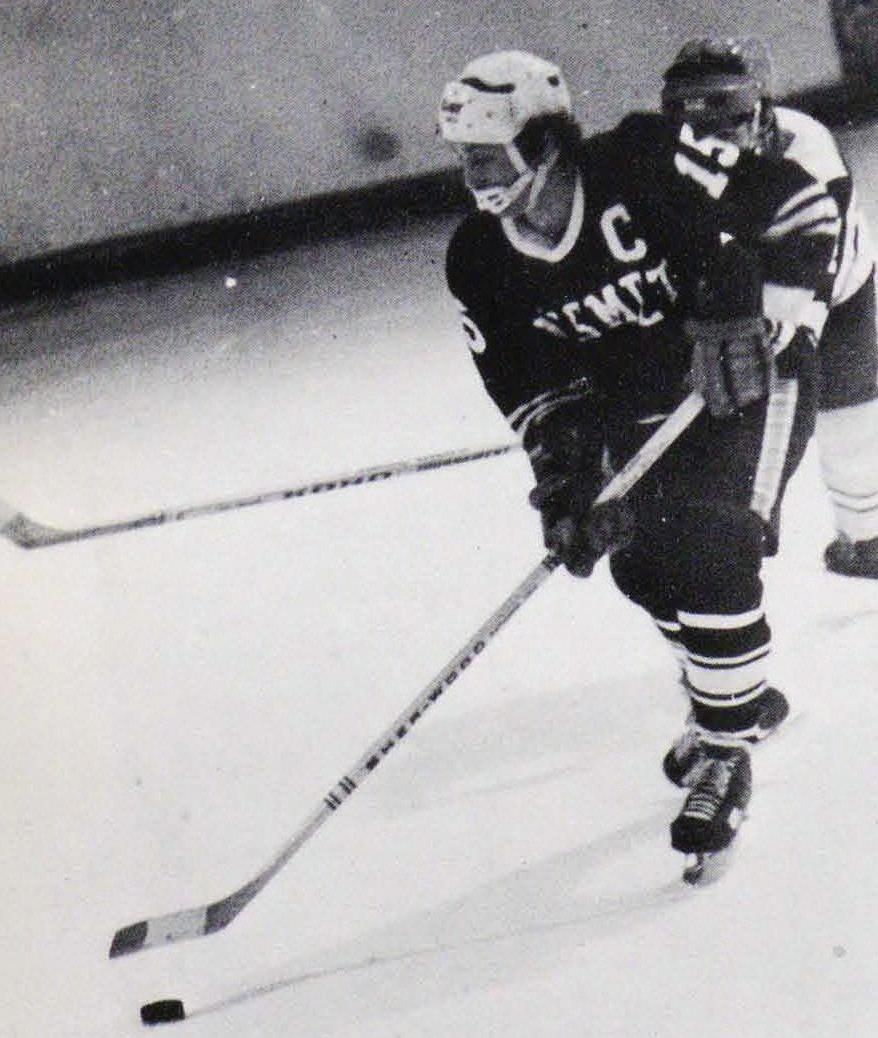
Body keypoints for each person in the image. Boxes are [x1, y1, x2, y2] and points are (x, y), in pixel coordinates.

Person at [439, 50, 841, 878]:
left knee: (714, 542)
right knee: (642, 566)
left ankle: (724, 749)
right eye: (465, 156)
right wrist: (567, 475)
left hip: (754, 386)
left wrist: (757, 316)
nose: (474, 173)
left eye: (489, 153)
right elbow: (528, 385)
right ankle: (740, 698)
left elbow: (801, 206)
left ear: (544, 143)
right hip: (645, 409)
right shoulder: (477, 258)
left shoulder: (643, 160)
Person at [661, 35, 878, 578]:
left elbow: (823, 261)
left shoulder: (808, 148)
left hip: (836, 286)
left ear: (760, 111)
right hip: (744, 289)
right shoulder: (669, 162)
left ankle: (866, 535)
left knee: (847, 402)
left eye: (728, 123)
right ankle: (739, 529)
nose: (714, 144)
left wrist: (794, 330)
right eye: (694, 126)